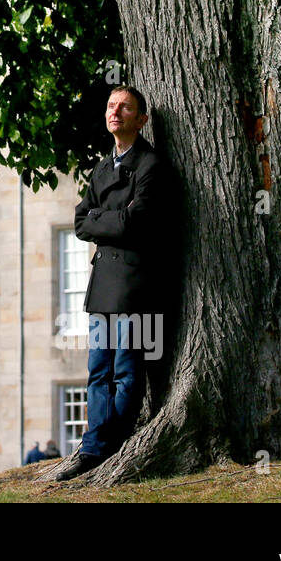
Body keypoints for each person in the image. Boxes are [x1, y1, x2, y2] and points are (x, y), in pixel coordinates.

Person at [47, 85, 171, 482]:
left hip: (135, 285)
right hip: (103, 285)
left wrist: (107, 220)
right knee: (98, 369)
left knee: (126, 371)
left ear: (142, 119)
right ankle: (96, 445)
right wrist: (112, 219)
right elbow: (82, 221)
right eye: (111, 105)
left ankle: (109, 444)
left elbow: (139, 221)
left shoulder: (151, 165)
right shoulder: (101, 168)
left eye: (125, 107)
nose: (115, 112)